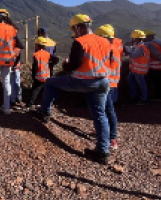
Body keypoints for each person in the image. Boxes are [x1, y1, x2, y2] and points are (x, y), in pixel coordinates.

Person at [38, 14, 112, 165]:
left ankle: (44, 113)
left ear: (78, 27)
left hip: (82, 81)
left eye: (73, 28)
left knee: (50, 83)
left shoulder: (80, 42)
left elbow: (73, 66)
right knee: (100, 114)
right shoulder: (105, 41)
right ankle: (103, 152)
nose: (74, 32)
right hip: (103, 81)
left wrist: (65, 64)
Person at [0, 9, 24, 115]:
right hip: (8, 61)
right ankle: (7, 108)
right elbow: (21, 45)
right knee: (6, 82)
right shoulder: (13, 29)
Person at [94, 25, 120, 150]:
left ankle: (112, 139)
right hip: (110, 83)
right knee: (105, 110)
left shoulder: (109, 50)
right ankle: (104, 131)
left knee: (108, 111)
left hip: (108, 84)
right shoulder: (113, 48)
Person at [25, 37, 59, 111]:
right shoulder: (47, 54)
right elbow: (56, 59)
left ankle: (29, 105)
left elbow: (35, 67)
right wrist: (51, 64)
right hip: (46, 76)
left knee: (35, 91)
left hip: (39, 76)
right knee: (47, 91)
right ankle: (52, 102)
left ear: (37, 45)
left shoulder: (36, 55)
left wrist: (33, 76)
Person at [143, 29, 161, 100]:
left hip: (155, 67)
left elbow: (156, 55)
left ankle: (159, 95)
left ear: (149, 37)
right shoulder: (156, 43)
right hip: (158, 66)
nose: (143, 39)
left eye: (144, 37)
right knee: (159, 81)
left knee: (157, 82)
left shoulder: (151, 45)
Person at [126, 30, 149, 105]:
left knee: (142, 84)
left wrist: (126, 49)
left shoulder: (141, 47)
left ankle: (143, 99)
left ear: (136, 38)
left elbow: (133, 55)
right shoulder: (139, 46)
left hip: (139, 70)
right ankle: (134, 96)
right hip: (135, 69)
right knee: (130, 79)